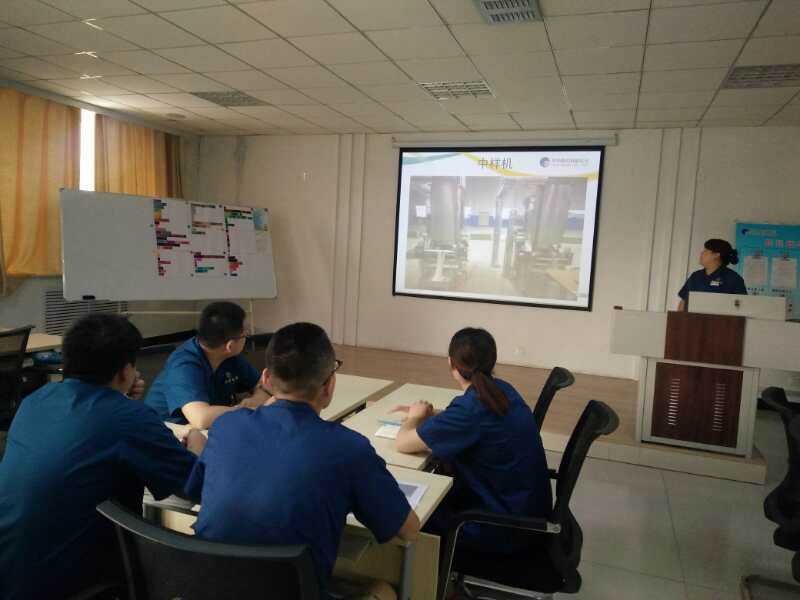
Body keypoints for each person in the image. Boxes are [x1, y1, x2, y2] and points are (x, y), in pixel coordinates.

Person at [185, 322, 420, 600]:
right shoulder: (349, 449)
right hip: (289, 589)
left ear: (266, 379)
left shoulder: (227, 426)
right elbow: (409, 531)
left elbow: (199, 491)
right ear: (329, 386)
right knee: (383, 591)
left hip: (205, 588)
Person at [0, 314, 205, 600]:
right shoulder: (129, 418)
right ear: (125, 371)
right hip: (81, 587)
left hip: (12, 576)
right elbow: (196, 485)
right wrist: (197, 444)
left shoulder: (36, 401)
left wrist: (123, 402)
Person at [393, 327, 552, 552]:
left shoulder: (470, 410)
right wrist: (435, 415)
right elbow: (475, 421)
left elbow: (403, 443)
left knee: (408, 512)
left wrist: (414, 418)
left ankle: (418, 571)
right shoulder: (502, 389)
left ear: (451, 362)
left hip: (499, 526)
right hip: (523, 509)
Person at [145, 301, 271, 429]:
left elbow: (265, 386)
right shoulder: (184, 365)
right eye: (245, 334)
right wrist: (245, 409)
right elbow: (201, 418)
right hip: (167, 431)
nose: (246, 337)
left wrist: (256, 399)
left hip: (205, 429)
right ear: (230, 346)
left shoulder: (230, 357)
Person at [678, 238, 747, 311]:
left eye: (705, 251)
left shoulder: (734, 279)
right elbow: (683, 301)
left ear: (716, 255)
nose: (701, 253)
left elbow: (741, 307)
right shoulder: (695, 276)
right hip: (691, 318)